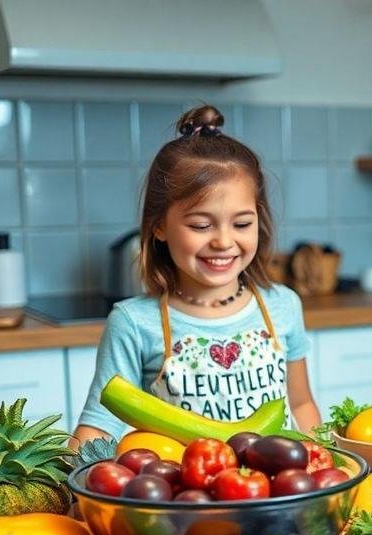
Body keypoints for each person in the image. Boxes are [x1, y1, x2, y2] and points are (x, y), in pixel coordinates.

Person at [73, 105, 319, 446]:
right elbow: (99, 426)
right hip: (180, 496)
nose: (223, 241)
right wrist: (75, 488)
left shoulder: (283, 305)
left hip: (271, 493)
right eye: (201, 225)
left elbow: (302, 404)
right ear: (159, 225)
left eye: (242, 224)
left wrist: (323, 464)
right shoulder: (133, 322)